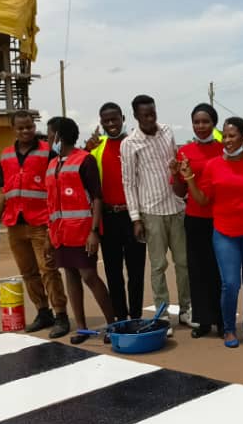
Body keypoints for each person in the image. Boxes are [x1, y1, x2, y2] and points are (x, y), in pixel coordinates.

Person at [179, 117, 243, 348]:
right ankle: (229, 329)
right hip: (225, 233)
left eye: (232, 136)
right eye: (225, 136)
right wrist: (189, 178)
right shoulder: (213, 165)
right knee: (230, 284)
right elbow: (202, 200)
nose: (227, 140)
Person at [0, 110, 69, 338]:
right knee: (28, 272)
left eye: (29, 127)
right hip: (15, 223)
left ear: (35, 127)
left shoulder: (48, 153)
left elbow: (56, 189)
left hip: (41, 223)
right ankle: (43, 312)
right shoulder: (5, 156)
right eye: (21, 128)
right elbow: (2, 191)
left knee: (48, 270)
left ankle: (61, 315)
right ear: (13, 129)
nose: (26, 131)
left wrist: (55, 223)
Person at [122, 94, 192, 328]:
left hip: (176, 207)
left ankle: (186, 309)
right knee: (159, 265)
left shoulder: (167, 132)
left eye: (153, 113)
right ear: (136, 116)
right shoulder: (130, 143)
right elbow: (129, 183)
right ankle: (162, 314)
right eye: (145, 115)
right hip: (151, 212)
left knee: (183, 262)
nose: (151, 118)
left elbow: (176, 165)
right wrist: (135, 218)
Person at [45, 116, 116, 345]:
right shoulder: (52, 164)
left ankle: (112, 324)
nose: (47, 139)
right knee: (71, 275)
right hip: (61, 233)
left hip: (82, 231)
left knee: (89, 276)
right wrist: (49, 235)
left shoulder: (84, 160)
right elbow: (51, 204)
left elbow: (97, 198)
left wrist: (94, 231)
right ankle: (82, 327)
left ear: (59, 136)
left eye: (50, 134)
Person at [172, 103, 225, 338]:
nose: (201, 126)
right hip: (195, 219)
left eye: (205, 121)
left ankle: (223, 321)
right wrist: (175, 174)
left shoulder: (224, 150)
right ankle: (203, 321)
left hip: (221, 219)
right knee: (198, 271)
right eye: (196, 122)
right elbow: (178, 191)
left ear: (214, 123)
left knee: (220, 271)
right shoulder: (184, 152)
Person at [90, 102, 147, 322]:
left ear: (123, 118)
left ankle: (136, 317)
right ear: (101, 122)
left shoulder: (134, 143)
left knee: (136, 271)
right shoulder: (97, 147)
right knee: (113, 272)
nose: (111, 124)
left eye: (115, 119)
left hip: (133, 217)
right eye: (106, 121)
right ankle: (121, 318)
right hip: (108, 218)